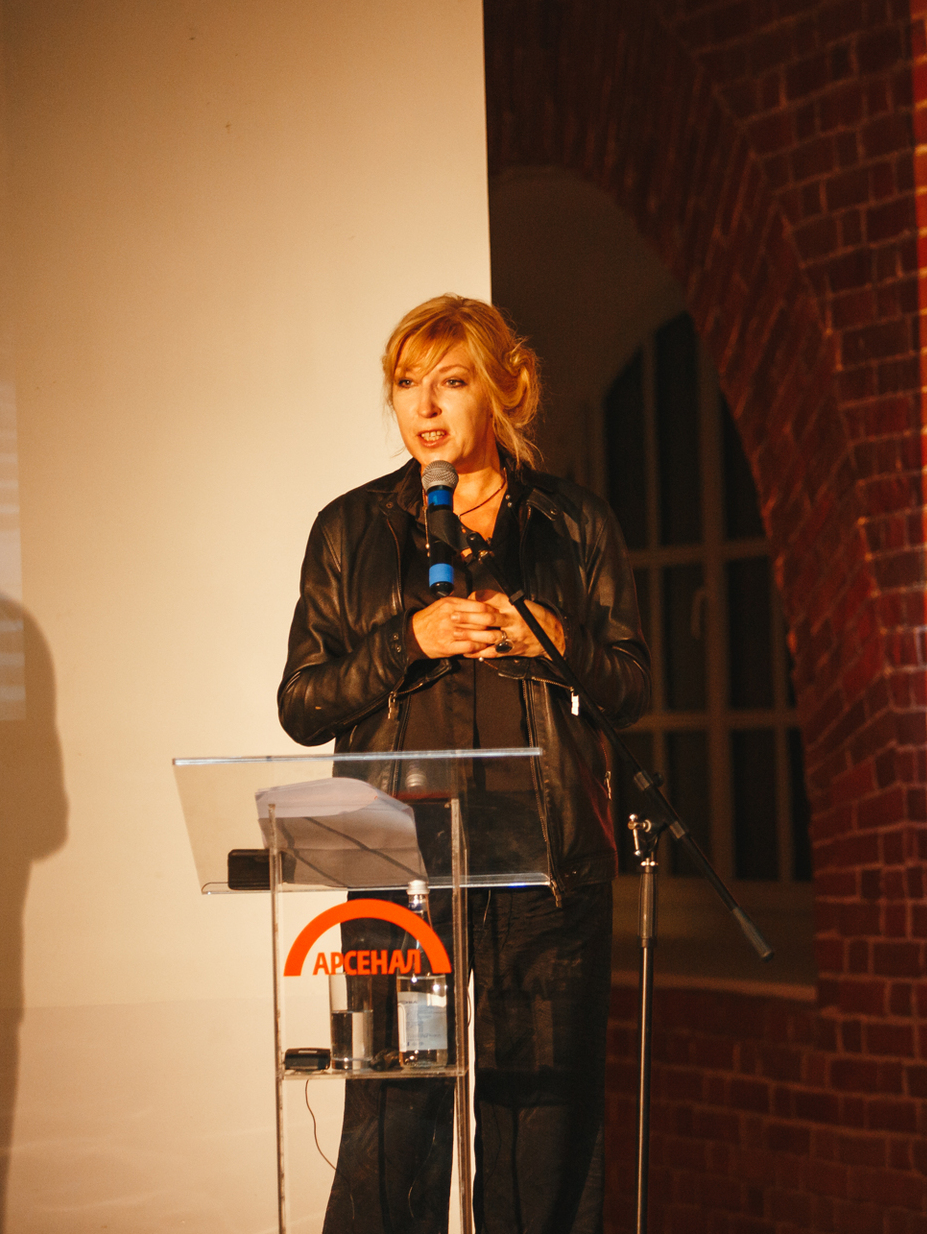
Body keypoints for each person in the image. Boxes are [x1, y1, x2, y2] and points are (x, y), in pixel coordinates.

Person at [278, 294, 650, 1234]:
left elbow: (630, 686)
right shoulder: (351, 529)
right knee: (393, 1122)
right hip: (399, 867)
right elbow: (303, 704)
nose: (425, 406)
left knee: (542, 1127)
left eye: (450, 381)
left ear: (502, 390)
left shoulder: (572, 523)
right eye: (407, 383)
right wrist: (408, 641)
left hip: (546, 872)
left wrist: (550, 637)